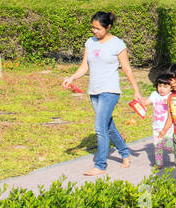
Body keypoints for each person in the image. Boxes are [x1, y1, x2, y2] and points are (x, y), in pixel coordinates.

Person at [62, 12, 146, 176]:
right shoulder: (90, 42)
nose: (94, 31)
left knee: (100, 127)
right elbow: (84, 66)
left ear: (108, 27)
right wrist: (71, 77)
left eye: (98, 28)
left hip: (110, 91)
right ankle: (125, 153)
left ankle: (100, 165)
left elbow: (127, 69)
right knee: (108, 127)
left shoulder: (118, 44)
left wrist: (136, 90)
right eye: (92, 27)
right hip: (94, 90)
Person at [150, 72, 173, 169]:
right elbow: (146, 102)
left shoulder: (171, 96)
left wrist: (168, 102)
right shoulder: (155, 95)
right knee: (157, 146)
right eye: (160, 86)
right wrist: (139, 102)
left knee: (169, 146)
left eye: (165, 86)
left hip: (168, 127)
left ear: (171, 87)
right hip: (156, 127)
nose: (161, 89)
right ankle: (159, 163)